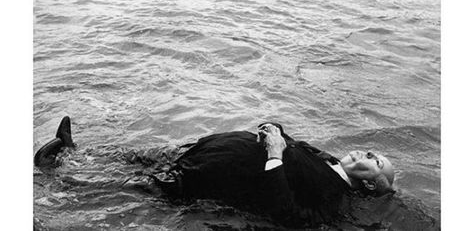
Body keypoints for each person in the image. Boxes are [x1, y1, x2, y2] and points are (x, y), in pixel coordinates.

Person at [34, 117, 394, 228]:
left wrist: (274, 155)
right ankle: (75, 150)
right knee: (135, 157)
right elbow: (287, 135)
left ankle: (57, 176)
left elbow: (289, 214)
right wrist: (273, 127)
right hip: (200, 150)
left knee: (132, 184)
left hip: (207, 178)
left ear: (369, 182)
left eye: (375, 160)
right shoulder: (326, 158)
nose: (367, 151)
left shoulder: (334, 197)